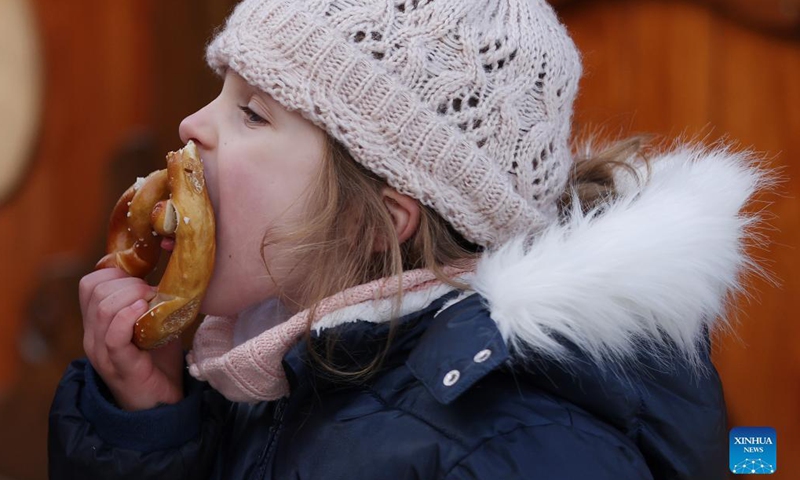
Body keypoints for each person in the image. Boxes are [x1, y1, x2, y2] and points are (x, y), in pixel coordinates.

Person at [48, 0, 768, 478]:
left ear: (378, 221)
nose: (192, 127)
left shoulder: (509, 449)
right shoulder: (266, 368)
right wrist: (148, 430)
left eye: (254, 115)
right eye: (221, 93)